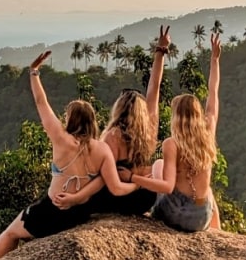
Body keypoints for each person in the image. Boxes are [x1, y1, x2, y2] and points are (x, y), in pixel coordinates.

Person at [0, 50, 137, 260]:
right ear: (92, 121)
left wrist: (34, 72)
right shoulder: (102, 149)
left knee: (11, 233)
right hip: (79, 214)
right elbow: (114, 185)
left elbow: (41, 103)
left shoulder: (61, 139)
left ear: (70, 119)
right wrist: (137, 183)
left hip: (52, 211)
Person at [53, 25, 169, 216]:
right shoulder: (149, 128)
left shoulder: (113, 136)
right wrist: (161, 51)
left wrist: (77, 197)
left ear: (119, 108)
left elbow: (100, 178)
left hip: (118, 197)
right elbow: (154, 88)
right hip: (143, 199)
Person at [130, 31, 221, 232]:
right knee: (207, 191)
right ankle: (217, 232)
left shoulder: (172, 143)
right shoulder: (207, 134)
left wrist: (135, 179)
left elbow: (168, 187)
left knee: (158, 164)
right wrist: (214, 60)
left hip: (177, 213)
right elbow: (213, 95)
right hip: (202, 216)